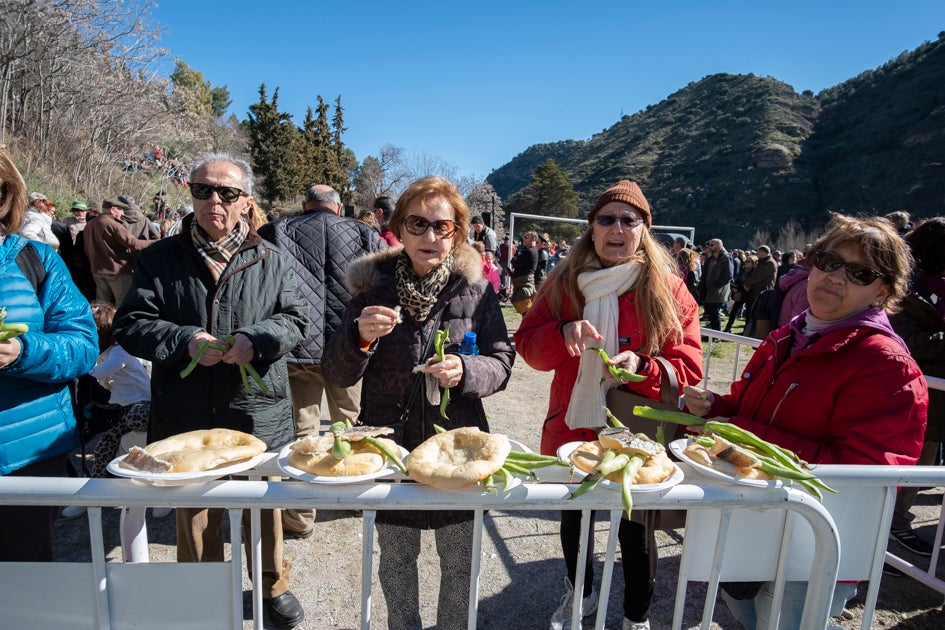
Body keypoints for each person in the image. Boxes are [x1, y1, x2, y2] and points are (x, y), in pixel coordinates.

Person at [683, 213, 928, 630]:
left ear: (882, 290)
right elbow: (746, 407)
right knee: (744, 613)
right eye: (829, 261)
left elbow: (867, 474)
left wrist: (741, 434)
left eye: (859, 272)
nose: (835, 277)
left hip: (812, 542)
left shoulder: (886, 365)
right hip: (753, 520)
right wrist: (717, 409)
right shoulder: (786, 336)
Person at [113, 151, 310, 629]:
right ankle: (199, 590)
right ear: (192, 195)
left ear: (246, 201)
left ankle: (271, 585)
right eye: (203, 190)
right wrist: (184, 340)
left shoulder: (274, 258)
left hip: (257, 406)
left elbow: (297, 320)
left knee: (265, 505)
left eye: (226, 192)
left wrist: (254, 341)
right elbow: (132, 324)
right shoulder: (159, 259)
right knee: (195, 512)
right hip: (186, 410)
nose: (213, 201)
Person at [323, 175, 514, 629]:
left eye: (442, 227)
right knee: (396, 560)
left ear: (458, 233)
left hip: (459, 449)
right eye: (418, 224)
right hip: (391, 445)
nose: (430, 236)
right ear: (400, 228)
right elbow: (337, 372)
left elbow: (503, 360)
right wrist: (359, 338)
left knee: (460, 562)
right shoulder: (372, 289)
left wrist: (467, 372)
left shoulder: (477, 290)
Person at [515, 180, 703, 630]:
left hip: (637, 430)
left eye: (628, 220)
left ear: (644, 230)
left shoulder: (670, 290)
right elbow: (529, 348)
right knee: (575, 518)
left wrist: (643, 365)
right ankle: (580, 594)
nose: (617, 228)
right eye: (606, 219)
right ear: (592, 229)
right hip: (572, 424)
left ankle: (636, 615)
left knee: (635, 528)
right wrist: (561, 334)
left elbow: (691, 366)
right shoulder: (563, 282)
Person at [258, 183, 384, 539]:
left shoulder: (277, 230)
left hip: (299, 345)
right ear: (339, 207)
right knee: (352, 423)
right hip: (350, 343)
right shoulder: (365, 234)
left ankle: (300, 516)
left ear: (304, 204)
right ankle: (356, 495)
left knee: (303, 431)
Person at [1, 150, 99, 561]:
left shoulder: (35, 260)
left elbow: (83, 345)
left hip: (28, 454)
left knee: (24, 580)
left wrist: (21, 351)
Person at [60, 301, 160, 519]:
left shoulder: (119, 352)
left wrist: (75, 364)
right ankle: (94, 494)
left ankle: (164, 495)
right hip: (121, 411)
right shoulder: (105, 353)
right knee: (104, 445)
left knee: (137, 419)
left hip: (142, 408)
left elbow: (99, 372)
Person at [888, 217, 945, 556]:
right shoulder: (907, 289)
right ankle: (891, 528)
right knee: (910, 463)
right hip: (916, 394)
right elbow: (907, 340)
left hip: (937, 395)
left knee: (924, 463)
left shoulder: (936, 287)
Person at [84, 199, 152, 305]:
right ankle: (121, 322)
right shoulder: (113, 225)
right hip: (117, 271)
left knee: (101, 305)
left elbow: (87, 249)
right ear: (113, 210)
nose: (123, 213)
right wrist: (157, 242)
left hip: (97, 270)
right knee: (124, 304)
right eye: (121, 210)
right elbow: (134, 244)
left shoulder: (90, 224)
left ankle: (100, 322)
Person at [699, 238, 733, 330]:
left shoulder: (726, 258)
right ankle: (712, 334)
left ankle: (717, 335)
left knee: (715, 313)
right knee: (710, 313)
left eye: (712, 245)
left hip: (718, 291)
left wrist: (717, 286)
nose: (709, 247)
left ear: (719, 246)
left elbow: (728, 275)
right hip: (708, 289)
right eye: (709, 245)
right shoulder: (710, 259)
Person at [510, 230, 539, 314]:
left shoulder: (530, 251)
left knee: (525, 307)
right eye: (523, 237)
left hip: (525, 282)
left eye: (526, 237)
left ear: (533, 239)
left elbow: (515, 263)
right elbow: (515, 262)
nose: (524, 239)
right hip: (522, 282)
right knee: (523, 306)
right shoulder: (529, 251)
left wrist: (516, 261)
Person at [724, 254, 756, 333]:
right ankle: (728, 327)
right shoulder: (743, 270)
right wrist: (735, 287)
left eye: (748, 261)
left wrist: (742, 285)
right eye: (746, 261)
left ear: (753, 262)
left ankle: (745, 330)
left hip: (749, 295)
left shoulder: (755, 272)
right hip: (741, 293)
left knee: (748, 314)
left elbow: (750, 284)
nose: (746, 263)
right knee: (734, 311)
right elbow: (738, 280)